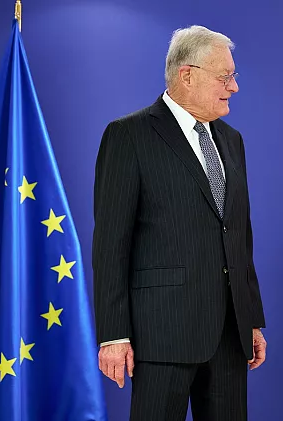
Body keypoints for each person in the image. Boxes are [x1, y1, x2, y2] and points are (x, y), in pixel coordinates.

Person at [92, 25, 266, 421]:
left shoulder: (232, 139)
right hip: (161, 333)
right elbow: (110, 245)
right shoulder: (128, 135)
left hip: (229, 334)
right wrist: (113, 334)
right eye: (225, 76)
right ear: (187, 75)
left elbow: (239, 236)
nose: (234, 87)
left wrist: (252, 319)